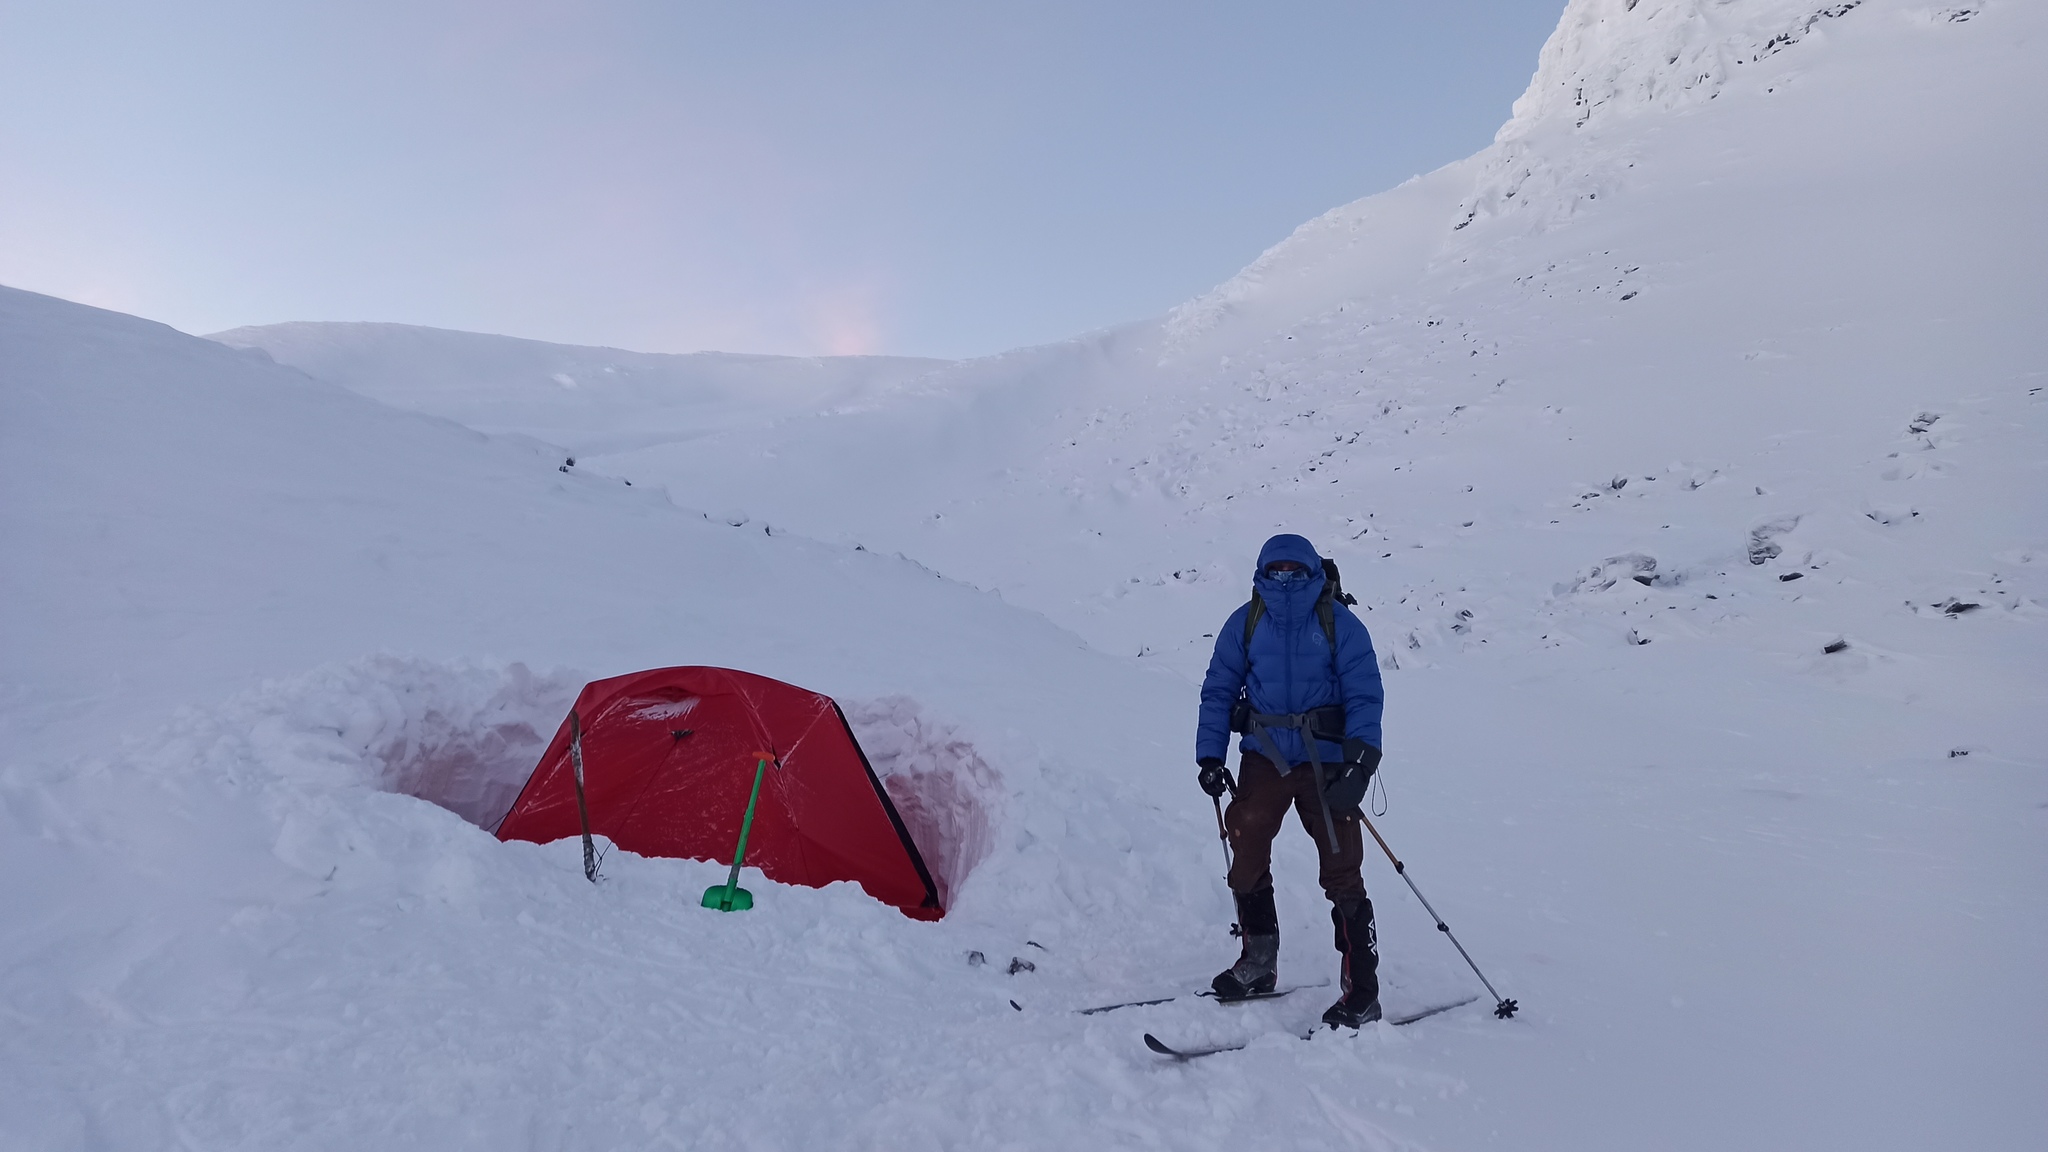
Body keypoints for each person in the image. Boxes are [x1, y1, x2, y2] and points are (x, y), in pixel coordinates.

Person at [1195, 533, 1386, 1028]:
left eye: (1293, 570)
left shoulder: (1339, 624)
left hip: (1327, 762)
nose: (1284, 578)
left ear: (1310, 572)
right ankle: (1258, 963)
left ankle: (1361, 990)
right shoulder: (1246, 621)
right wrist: (1210, 755)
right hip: (1265, 758)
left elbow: (1365, 695)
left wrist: (1360, 765)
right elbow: (1218, 690)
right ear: (1261, 572)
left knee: (1343, 868)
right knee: (1247, 844)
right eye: (1274, 570)